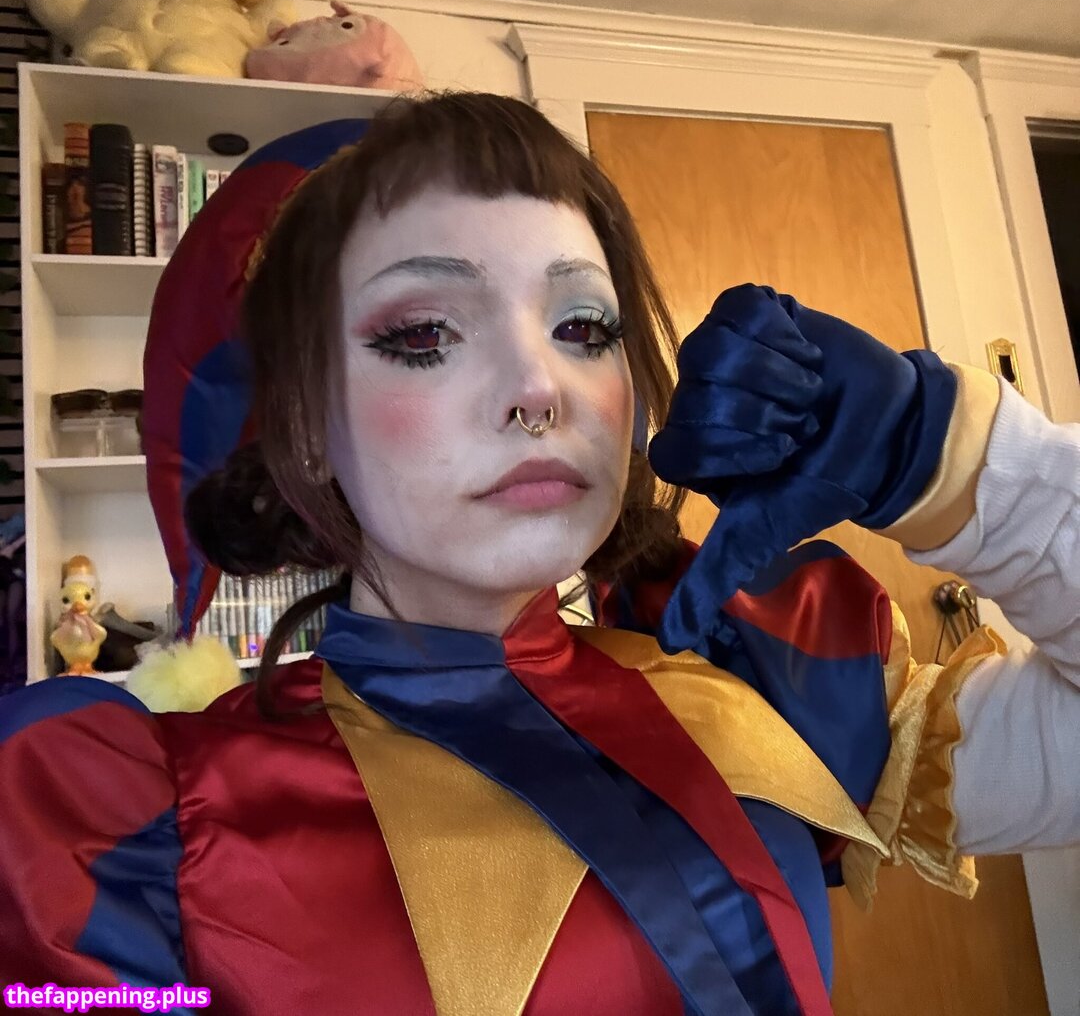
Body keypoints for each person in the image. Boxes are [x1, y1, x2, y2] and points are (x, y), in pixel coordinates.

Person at [0, 92, 1077, 1016]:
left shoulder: (755, 692)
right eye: (424, 333)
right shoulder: (135, 831)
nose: (539, 388)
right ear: (307, 425)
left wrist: (947, 460)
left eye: (583, 328)